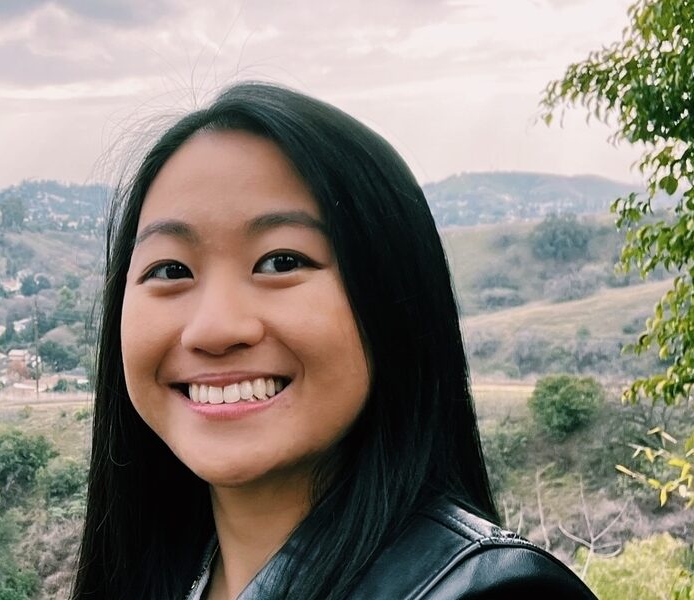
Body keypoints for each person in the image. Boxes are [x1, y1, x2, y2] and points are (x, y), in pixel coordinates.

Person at [70, 82, 597, 599]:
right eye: (170, 269)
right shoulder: (154, 575)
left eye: (282, 261)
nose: (213, 329)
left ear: (394, 301)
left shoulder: (490, 594)